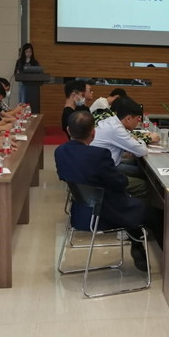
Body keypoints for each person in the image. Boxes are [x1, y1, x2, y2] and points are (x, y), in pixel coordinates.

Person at [54, 111, 147, 271]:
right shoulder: (99, 155)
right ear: (93, 133)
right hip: (103, 214)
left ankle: (136, 238)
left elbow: (64, 176)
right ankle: (141, 243)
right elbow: (119, 182)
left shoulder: (60, 151)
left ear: (68, 130)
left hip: (79, 212)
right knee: (152, 212)